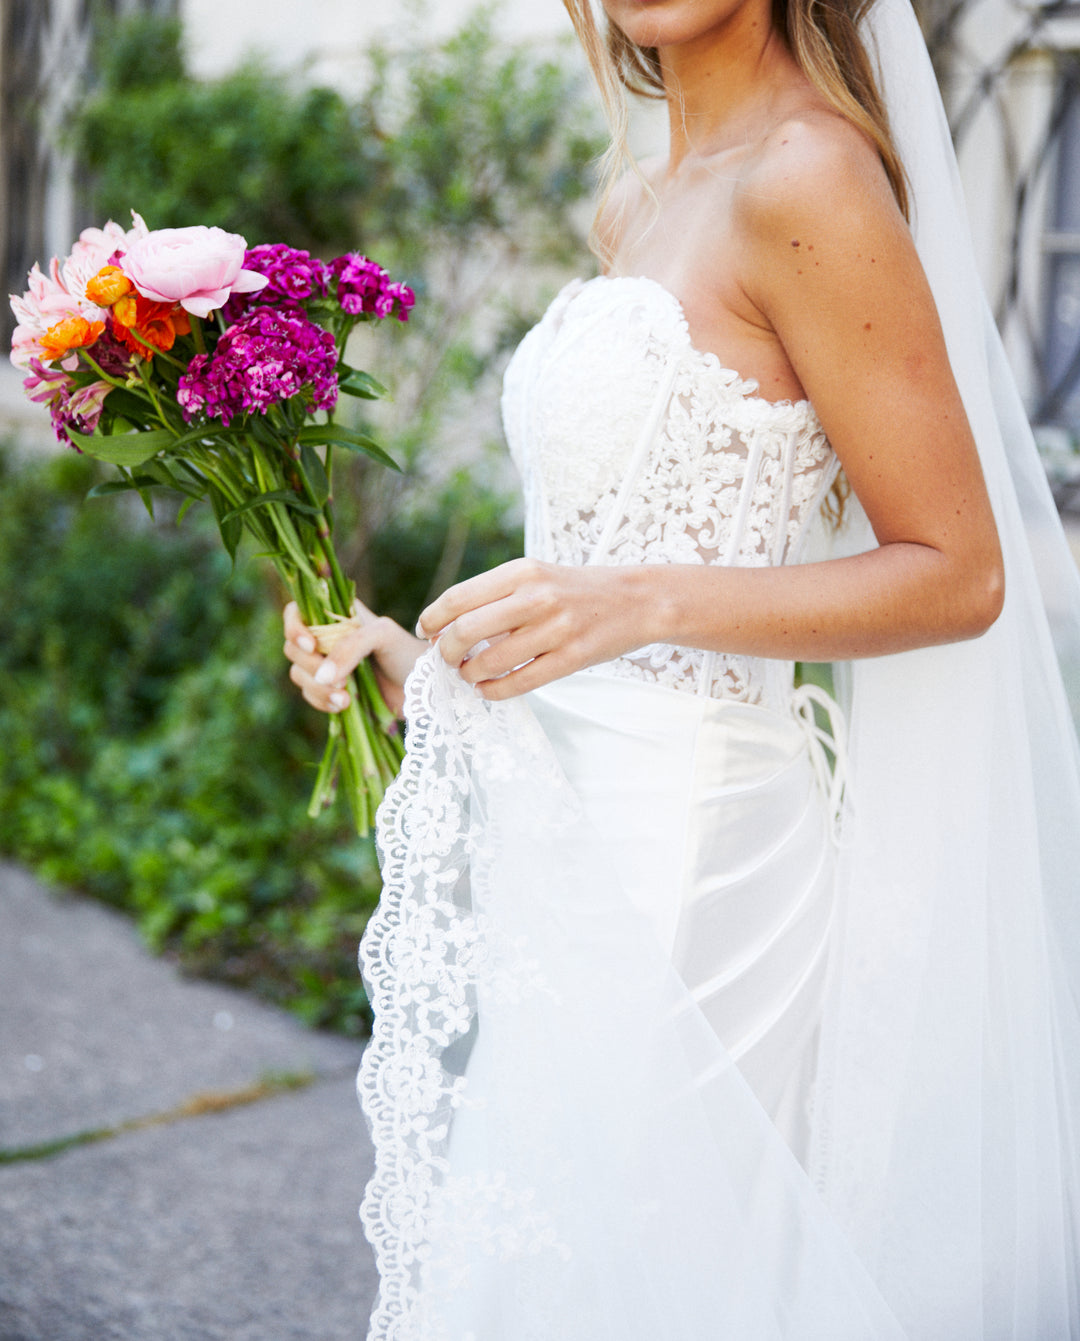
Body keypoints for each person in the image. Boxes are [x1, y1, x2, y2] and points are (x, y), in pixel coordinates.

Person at [284, 0, 1080, 1335]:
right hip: (570, 859)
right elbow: (604, 562)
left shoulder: (810, 175)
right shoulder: (639, 194)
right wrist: (410, 654)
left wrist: (638, 600)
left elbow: (961, 569)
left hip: (703, 853)